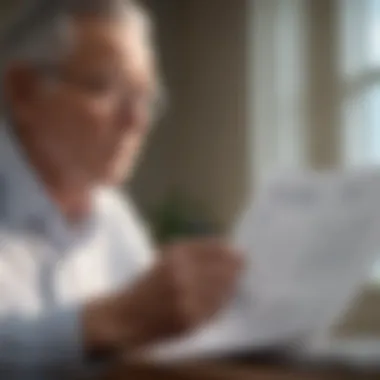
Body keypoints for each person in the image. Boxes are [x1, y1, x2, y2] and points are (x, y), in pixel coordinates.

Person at [0, 0, 243, 378]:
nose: (137, 120)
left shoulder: (113, 215)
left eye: (145, 96)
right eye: (106, 86)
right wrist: (109, 321)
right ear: (23, 92)